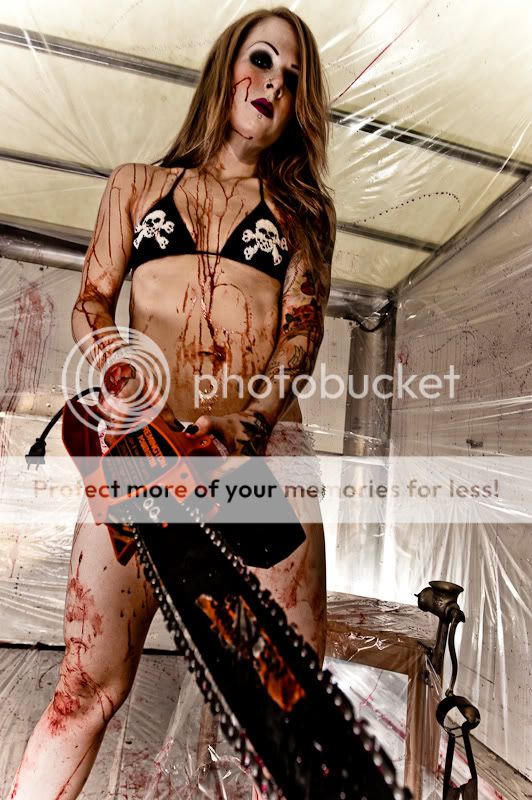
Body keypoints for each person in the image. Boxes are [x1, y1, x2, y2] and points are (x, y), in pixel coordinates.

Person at [6, 6, 336, 799]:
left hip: (260, 457)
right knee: (85, 689)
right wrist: (123, 373)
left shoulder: (302, 210)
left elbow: (301, 332)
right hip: (143, 449)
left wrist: (247, 425)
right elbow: (92, 301)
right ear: (227, 67)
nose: (274, 84)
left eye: (293, 79)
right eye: (262, 60)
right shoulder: (137, 185)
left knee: (286, 710)